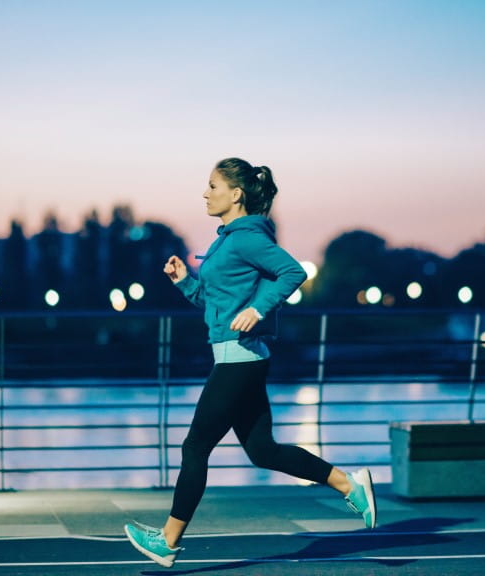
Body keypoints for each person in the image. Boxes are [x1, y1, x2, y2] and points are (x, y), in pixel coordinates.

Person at [124, 157, 376, 568]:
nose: (205, 193)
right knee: (262, 450)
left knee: (195, 447)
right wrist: (184, 281)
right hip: (240, 357)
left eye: (212, 186)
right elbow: (216, 305)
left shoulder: (246, 239)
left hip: (239, 360)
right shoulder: (227, 241)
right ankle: (348, 484)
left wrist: (259, 310)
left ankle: (167, 542)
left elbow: (292, 273)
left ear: (235, 194)